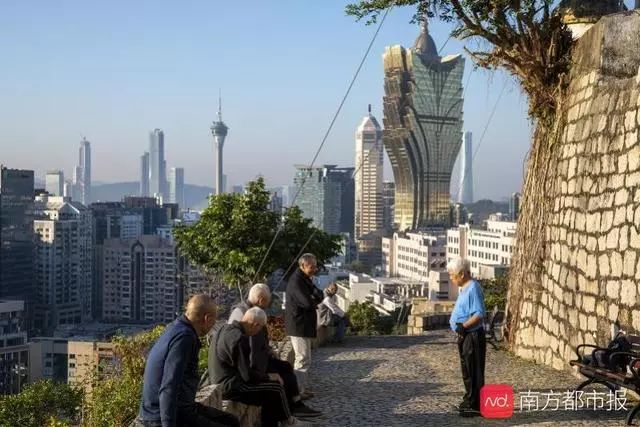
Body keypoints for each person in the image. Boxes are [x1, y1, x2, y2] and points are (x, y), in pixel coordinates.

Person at [139, 294, 239, 427]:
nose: (212, 327)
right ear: (206, 318)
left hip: (179, 408)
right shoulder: (184, 338)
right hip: (161, 415)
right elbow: (169, 385)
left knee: (231, 421)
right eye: (213, 322)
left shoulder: (177, 328)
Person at [226, 283, 321, 418]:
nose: (268, 305)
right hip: (251, 366)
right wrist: (261, 373)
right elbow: (248, 347)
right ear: (261, 300)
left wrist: (269, 350)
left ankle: (295, 403)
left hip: (260, 359)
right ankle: (291, 410)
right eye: (267, 301)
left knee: (286, 367)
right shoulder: (244, 313)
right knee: (281, 378)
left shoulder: (248, 310)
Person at [210, 307, 311, 427]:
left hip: (222, 381)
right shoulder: (238, 338)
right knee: (275, 388)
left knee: (270, 394)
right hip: (231, 386)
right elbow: (247, 376)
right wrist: (268, 376)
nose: (258, 333)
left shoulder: (224, 328)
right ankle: (288, 422)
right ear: (255, 325)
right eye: (260, 328)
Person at [447, 258, 487, 417]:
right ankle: (469, 399)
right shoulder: (464, 288)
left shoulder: (473, 288)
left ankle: (475, 404)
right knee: (467, 370)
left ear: (462, 274)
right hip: (465, 335)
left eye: (452, 275)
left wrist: (463, 326)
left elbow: (479, 314)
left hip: (472, 334)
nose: (451, 278)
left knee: (474, 370)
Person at [285, 253, 323, 397]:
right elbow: (307, 303)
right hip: (298, 325)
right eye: (311, 267)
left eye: (315, 266)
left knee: (306, 358)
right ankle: (297, 391)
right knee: (302, 359)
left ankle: (301, 388)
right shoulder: (297, 282)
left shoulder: (305, 279)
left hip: (304, 325)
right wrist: (313, 299)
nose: (314, 269)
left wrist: (313, 297)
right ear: (302, 266)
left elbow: (319, 295)